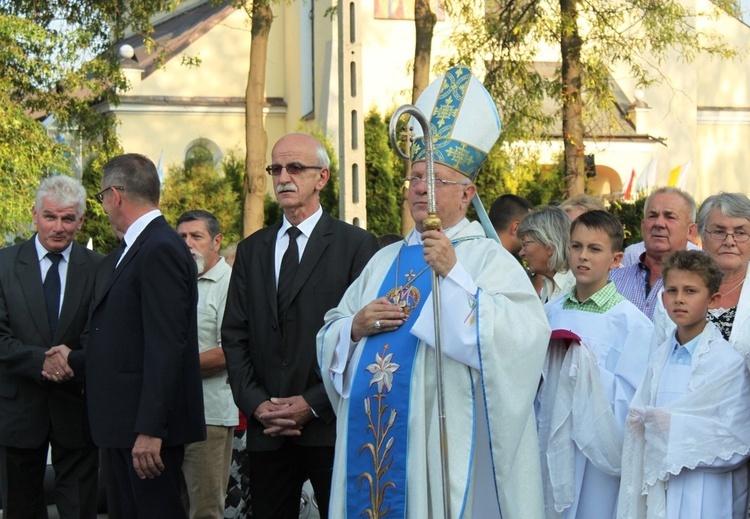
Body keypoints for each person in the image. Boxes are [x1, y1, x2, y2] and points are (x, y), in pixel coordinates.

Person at [317, 65, 550, 518]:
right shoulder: (383, 260)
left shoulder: (485, 258)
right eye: (415, 178)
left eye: (437, 180)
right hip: (378, 429)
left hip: (443, 439)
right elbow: (330, 330)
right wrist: (353, 328)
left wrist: (455, 275)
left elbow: (523, 338)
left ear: (468, 194)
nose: (422, 188)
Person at [222, 132, 379, 519]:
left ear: (322, 178)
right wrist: (258, 404)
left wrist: (313, 404)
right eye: (276, 168)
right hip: (268, 429)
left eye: (295, 167)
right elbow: (235, 335)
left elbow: (366, 341)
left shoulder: (356, 246)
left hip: (329, 426)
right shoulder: (252, 249)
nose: (283, 177)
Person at [46, 153, 206, 518]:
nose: (102, 207)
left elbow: (166, 345)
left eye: (101, 197)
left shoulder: (160, 247)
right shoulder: (130, 249)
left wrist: (151, 429)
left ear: (115, 195)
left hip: (144, 433)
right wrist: (72, 358)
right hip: (123, 427)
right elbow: (123, 344)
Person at [536, 210, 653, 518]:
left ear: (616, 260)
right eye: (576, 246)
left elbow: (634, 400)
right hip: (551, 439)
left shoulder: (632, 324)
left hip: (597, 452)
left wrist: (585, 370)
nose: (582, 257)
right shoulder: (551, 311)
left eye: (594, 249)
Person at [617, 250, 750, 518]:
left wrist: (672, 427)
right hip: (659, 483)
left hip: (705, 487)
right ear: (662, 298)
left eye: (690, 291)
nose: (679, 299)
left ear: (712, 299)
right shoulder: (658, 359)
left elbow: (737, 436)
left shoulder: (728, 363)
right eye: (672, 290)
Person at [0, 176, 101, 519]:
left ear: (81, 220)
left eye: (68, 218)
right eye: (50, 217)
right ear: (34, 214)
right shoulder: (4, 265)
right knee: (20, 508)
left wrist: (73, 361)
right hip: (18, 411)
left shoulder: (101, 268)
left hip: (77, 407)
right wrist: (42, 363)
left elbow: (101, 335)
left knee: (80, 508)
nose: (59, 227)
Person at [176, 210, 237, 519]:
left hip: (208, 417)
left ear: (216, 241)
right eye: (182, 237)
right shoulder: (175, 281)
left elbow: (229, 353)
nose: (188, 244)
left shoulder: (230, 284)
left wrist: (168, 368)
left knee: (205, 511)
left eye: (196, 237)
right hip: (169, 414)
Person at [653, 192, 750, 357]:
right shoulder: (674, 289)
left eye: (740, 233)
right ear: (702, 237)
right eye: (719, 232)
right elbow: (656, 359)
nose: (729, 241)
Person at [610, 186, 697, 319]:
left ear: (690, 231)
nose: (659, 223)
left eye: (670, 217)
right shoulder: (612, 281)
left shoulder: (701, 286)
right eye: (653, 215)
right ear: (643, 226)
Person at [518, 205, 576, 303]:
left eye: (525, 244)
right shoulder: (549, 284)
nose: (521, 253)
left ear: (549, 246)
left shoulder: (577, 288)